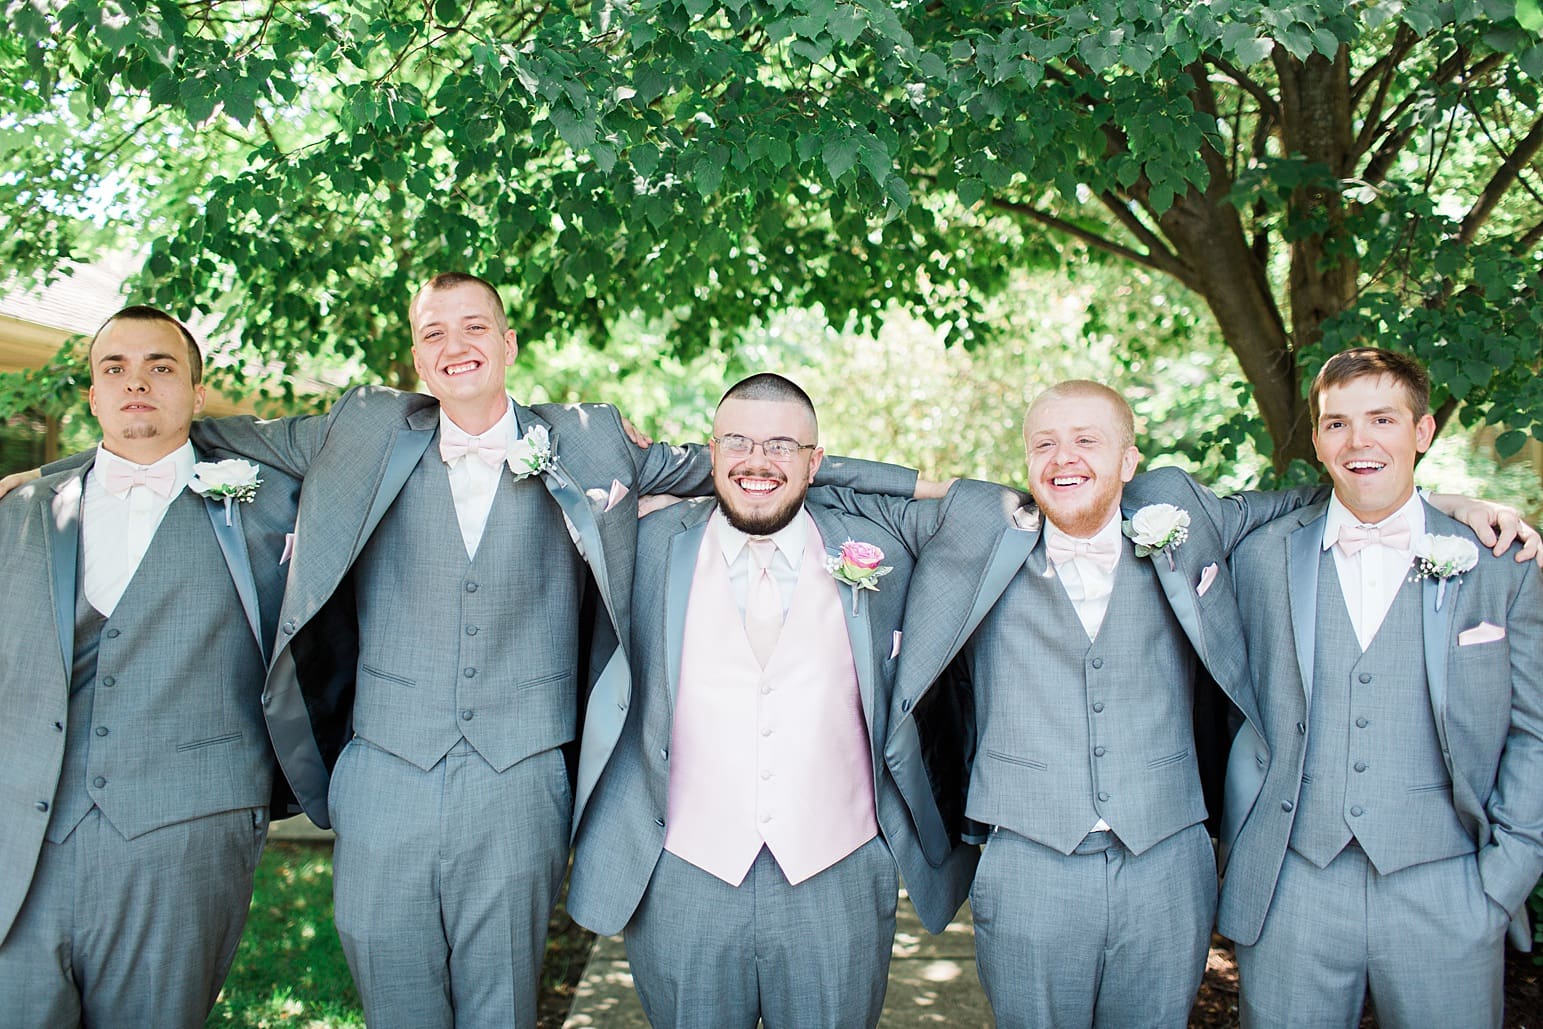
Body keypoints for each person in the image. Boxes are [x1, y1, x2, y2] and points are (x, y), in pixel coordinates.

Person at [8, 274, 916, 1027]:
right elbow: (175, 432)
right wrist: (47, 484)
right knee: (392, 990)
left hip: (521, 776)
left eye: (473, 324)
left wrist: (913, 483)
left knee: (501, 1000)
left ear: (508, 341)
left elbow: (737, 458)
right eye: (432, 331)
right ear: (416, 354)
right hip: (382, 771)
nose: (454, 344)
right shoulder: (363, 430)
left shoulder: (588, 437)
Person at [859, 379, 1539, 1028]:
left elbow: (1327, 497)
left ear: (1130, 459)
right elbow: (817, 478)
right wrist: (931, 485)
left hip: (1167, 855)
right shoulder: (979, 525)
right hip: (1026, 856)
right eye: (1043, 444)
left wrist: (1446, 500)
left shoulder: (1182, 517)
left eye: (1086, 440)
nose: (1063, 457)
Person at [565, 373, 976, 1029]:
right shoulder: (643, 539)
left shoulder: (879, 544)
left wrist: (849, 476)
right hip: (682, 874)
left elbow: (983, 509)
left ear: (817, 460)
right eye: (737, 442)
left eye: (782, 445)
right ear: (709, 450)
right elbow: (569, 446)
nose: (756, 460)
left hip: (834, 873)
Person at [1218, 348, 1543, 1027]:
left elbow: (1534, 730)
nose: (1358, 440)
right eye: (1336, 423)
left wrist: (1500, 880)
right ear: (1315, 439)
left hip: (1446, 887)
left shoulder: (1499, 565)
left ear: (1421, 432)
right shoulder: (1256, 556)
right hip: (1290, 889)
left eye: (1381, 419)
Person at [0, 306, 299, 1027]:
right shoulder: (22, 509)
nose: (136, 382)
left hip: (186, 838)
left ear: (197, 394)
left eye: (160, 366)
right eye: (115, 369)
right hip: (21, 843)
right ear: (92, 396)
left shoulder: (269, 502)